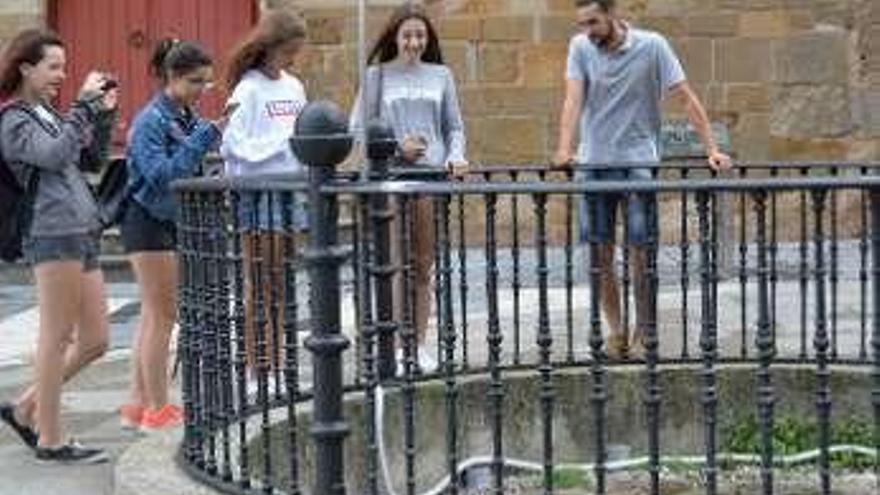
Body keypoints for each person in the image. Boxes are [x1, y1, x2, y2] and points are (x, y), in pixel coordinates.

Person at [553, 0, 732, 360]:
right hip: (594, 162)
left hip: (637, 161)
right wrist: (563, 148)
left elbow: (685, 96)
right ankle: (616, 331)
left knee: (640, 250)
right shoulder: (580, 47)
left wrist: (711, 147)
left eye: (593, 22)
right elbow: (573, 98)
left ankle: (644, 329)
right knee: (599, 252)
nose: (587, 30)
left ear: (613, 15)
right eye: (582, 23)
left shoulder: (653, 46)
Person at [0, 28, 117, 463]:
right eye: (53, 67)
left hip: (82, 231)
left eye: (64, 69)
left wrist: (101, 115)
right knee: (56, 337)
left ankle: (25, 407)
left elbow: (90, 160)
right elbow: (50, 155)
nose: (61, 76)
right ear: (25, 67)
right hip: (50, 233)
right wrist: (83, 106)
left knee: (96, 339)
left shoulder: (50, 113)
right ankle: (50, 438)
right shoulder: (14, 120)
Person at [351, 1, 468, 372]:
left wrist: (456, 155)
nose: (414, 42)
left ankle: (417, 343)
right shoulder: (376, 76)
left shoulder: (441, 75)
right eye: (408, 35)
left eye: (420, 35)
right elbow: (358, 128)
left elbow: (454, 128)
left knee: (422, 264)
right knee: (394, 263)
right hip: (390, 177)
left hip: (429, 178)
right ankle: (396, 345)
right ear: (395, 37)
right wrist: (395, 147)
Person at [119, 39, 225, 431]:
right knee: (163, 317)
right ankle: (158, 409)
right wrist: (199, 142)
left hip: (164, 222)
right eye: (196, 81)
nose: (202, 90)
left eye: (207, 83)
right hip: (146, 221)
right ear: (174, 77)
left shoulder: (185, 116)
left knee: (151, 315)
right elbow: (161, 176)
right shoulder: (151, 120)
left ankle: (138, 404)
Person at [220, 9, 309, 392]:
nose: (292, 60)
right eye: (289, 52)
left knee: (281, 282)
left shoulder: (295, 87)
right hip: (258, 193)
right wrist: (281, 145)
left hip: (290, 191)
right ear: (271, 48)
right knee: (260, 284)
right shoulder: (248, 89)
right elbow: (233, 144)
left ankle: (277, 361)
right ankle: (259, 367)